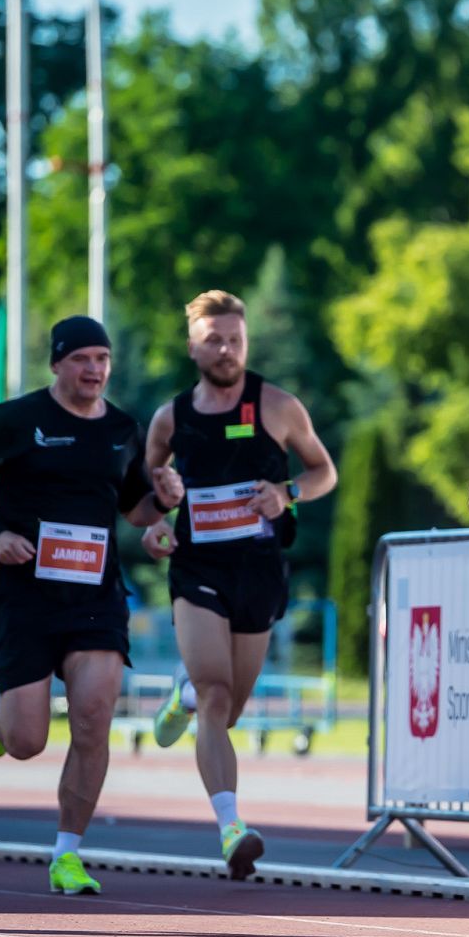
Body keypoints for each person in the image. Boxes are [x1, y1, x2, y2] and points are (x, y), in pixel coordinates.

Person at [0, 316, 181, 894]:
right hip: (25, 594)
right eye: (82, 358)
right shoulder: (17, 419)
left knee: (94, 718)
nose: (95, 369)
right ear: (57, 363)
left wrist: (163, 502)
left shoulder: (123, 429)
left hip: (95, 597)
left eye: (102, 358)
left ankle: (67, 853)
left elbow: (135, 511)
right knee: (27, 742)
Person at [139, 290, 337, 881]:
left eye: (235, 339)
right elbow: (146, 493)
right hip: (197, 570)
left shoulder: (276, 405)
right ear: (192, 345)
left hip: (258, 571)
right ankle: (231, 827)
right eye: (214, 340)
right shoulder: (171, 417)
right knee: (218, 692)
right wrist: (157, 516)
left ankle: (184, 699)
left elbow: (323, 471)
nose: (226, 350)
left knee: (224, 712)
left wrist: (288, 493)